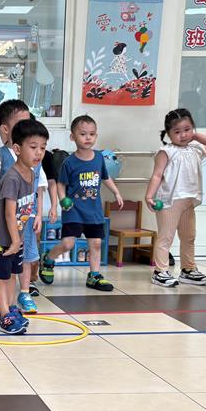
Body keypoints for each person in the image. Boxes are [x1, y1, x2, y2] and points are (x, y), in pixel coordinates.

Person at [40, 115, 123, 291]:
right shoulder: (69, 162)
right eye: (83, 134)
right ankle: (48, 258)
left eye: (92, 134)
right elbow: (61, 183)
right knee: (68, 244)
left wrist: (116, 192)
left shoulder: (99, 157)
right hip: (74, 210)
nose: (88, 138)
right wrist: (62, 200)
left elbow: (105, 177)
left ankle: (94, 275)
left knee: (96, 243)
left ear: (96, 136)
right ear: (73, 137)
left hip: (94, 211)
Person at [0, 99, 48, 313]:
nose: (38, 151)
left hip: (24, 220)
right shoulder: (1, 158)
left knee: (23, 258)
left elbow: (38, 189)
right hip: (5, 223)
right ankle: (2, 301)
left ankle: (23, 294)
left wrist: (38, 214)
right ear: (5, 129)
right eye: (21, 123)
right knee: (4, 263)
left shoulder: (34, 160)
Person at [144, 108, 206, 287]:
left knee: (189, 236)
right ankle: (160, 272)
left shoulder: (196, 149)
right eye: (177, 132)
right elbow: (157, 175)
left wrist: (196, 136)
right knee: (166, 237)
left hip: (189, 200)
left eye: (187, 129)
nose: (183, 135)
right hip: (169, 201)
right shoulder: (166, 151)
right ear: (168, 133)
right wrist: (149, 196)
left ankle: (188, 270)